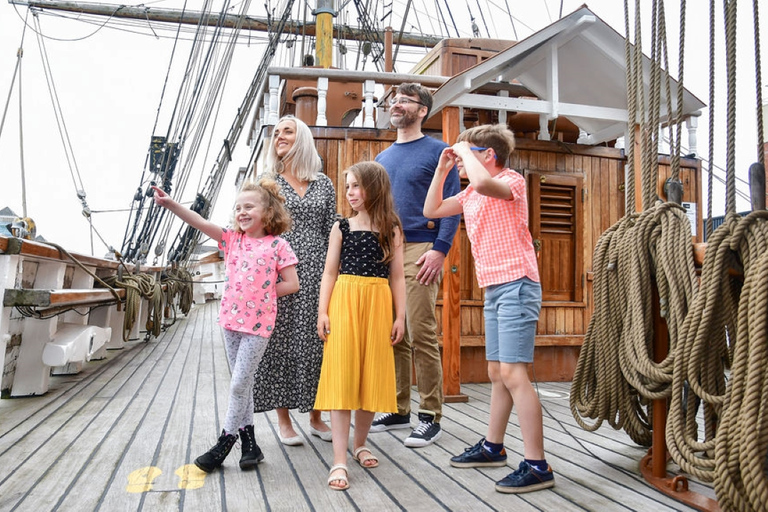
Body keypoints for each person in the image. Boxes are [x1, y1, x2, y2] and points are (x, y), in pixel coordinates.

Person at [423, 124, 554, 494]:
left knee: (514, 374)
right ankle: (493, 447)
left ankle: (537, 465)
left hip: (517, 282)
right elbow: (431, 209)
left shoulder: (511, 182)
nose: (462, 160)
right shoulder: (469, 193)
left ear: (488, 155)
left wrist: (464, 151)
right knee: (497, 371)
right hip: (495, 287)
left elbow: (483, 183)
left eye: (470, 153)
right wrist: (443, 168)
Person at [151, 179, 299, 472]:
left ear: (268, 211)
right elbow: (199, 222)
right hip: (230, 322)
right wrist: (170, 204)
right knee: (243, 384)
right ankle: (250, 445)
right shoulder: (232, 239)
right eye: (238, 208)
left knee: (239, 383)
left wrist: (262, 293)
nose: (242, 212)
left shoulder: (278, 245)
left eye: (249, 207)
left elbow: (292, 284)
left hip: (258, 326)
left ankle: (224, 442)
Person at [371, 83, 461, 448]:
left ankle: (430, 415)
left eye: (405, 100)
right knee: (395, 333)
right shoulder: (382, 159)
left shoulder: (439, 152)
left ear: (422, 110)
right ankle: (398, 407)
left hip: (422, 246)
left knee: (421, 330)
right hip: (386, 248)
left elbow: (454, 205)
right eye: (394, 100)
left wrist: (440, 249)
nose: (396, 105)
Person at [314, 162, 406, 491]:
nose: (351, 193)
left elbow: (397, 276)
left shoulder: (391, 228)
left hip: (379, 303)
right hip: (345, 302)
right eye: (348, 187)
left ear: (375, 187)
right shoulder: (341, 227)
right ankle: (339, 458)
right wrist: (323, 311)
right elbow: (329, 273)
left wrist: (400, 316)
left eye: (356, 186)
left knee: (370, 377)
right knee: (342, 377)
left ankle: (360, 442)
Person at [252, 115, 337, 445]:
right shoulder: (267, 181)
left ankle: (317, 415)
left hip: (320, 270)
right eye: (275, 133)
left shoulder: (323, 183)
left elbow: (332, 228)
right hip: (282, 268)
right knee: (282, 341)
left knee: (318, 341)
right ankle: (284, 420)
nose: (280, 137)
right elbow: (258, 228)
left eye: (287, 131)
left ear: (302, 138)